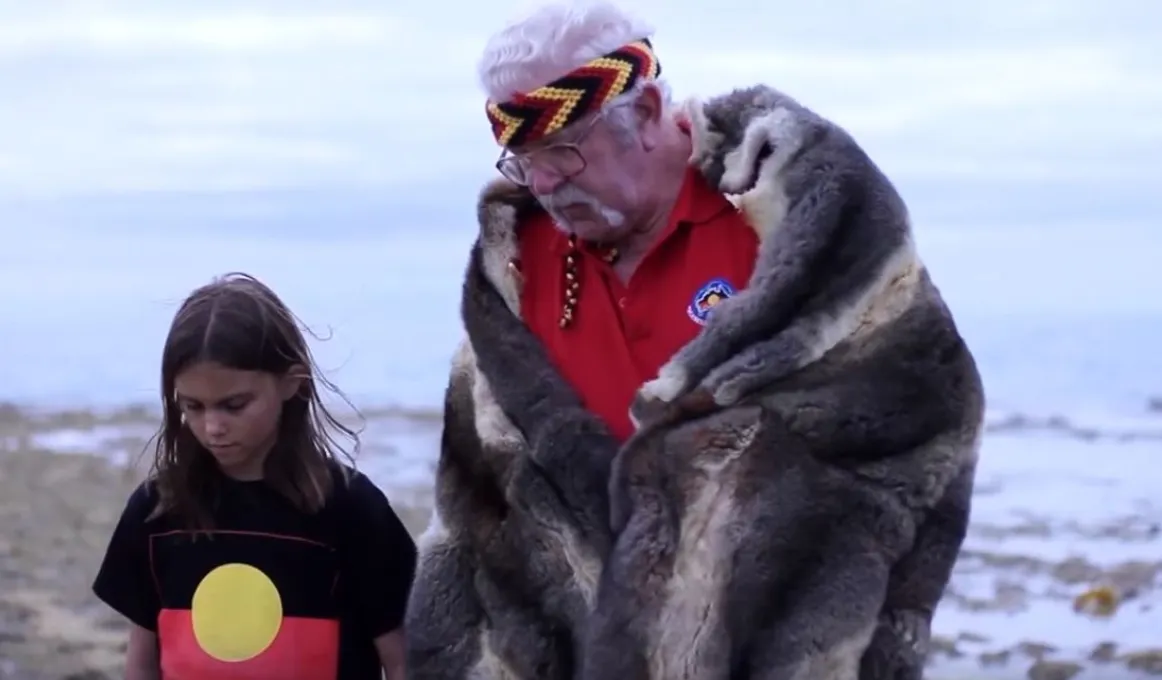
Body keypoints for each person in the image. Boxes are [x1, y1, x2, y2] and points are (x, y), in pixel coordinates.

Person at [404, 2, 982, 679]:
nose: (548, 184)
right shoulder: (517, 263)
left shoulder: (787, 226)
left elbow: (925, 427)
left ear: (647, 110)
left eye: (565, 151)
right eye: (525, 160)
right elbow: (477, 507)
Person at [92, 272, 417, 680]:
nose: (212, 427)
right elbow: (141, 662)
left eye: (234, 405)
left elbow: (405, 661)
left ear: (291, 384)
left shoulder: (352, 511)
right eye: (192, 406)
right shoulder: (157, 512)